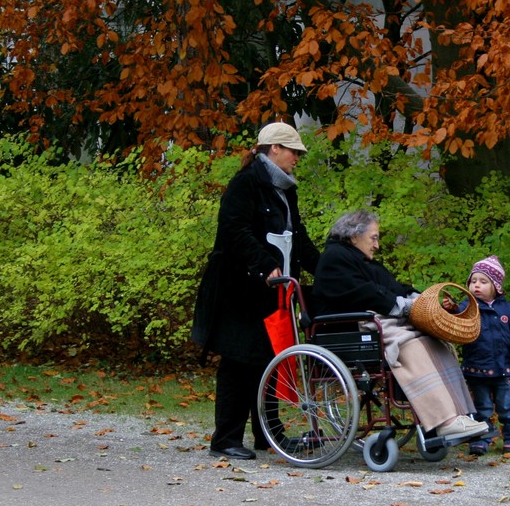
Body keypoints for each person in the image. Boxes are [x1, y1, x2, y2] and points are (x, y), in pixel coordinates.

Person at [192, 122, 320, 460]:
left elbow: (298, 237)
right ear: (274, 149)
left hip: (271, 292)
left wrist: (326, 270)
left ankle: (269, 435)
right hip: (238, 289)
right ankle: (225, 439)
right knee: (238, 361)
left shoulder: (284, 190)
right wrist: (264, 265)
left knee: (267, 361)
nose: (297, 158)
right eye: (294, 151)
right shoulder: (245, 183)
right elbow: (234, 230)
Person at [311, 210, 489, 441]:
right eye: (373, 237)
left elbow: (393, 286)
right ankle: (445, 420)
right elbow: (362, 293)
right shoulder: (335, 258)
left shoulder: (360, 259)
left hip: (370, 321)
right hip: (348, 327)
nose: (377, 244)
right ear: (354, 236)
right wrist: (405, 306)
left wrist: (421, 299)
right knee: (410, 343)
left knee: (435, 341)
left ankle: (460, 414)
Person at [444, 255, 510, 456]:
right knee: (481, 408)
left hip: (503, 369)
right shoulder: (467, 307)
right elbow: (455, 321)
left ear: (496, 286)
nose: (477, 286)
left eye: (483, 282)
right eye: (473, 281)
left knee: (506, 406)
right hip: (477, 368)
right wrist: (451, 309)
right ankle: (481, 439)